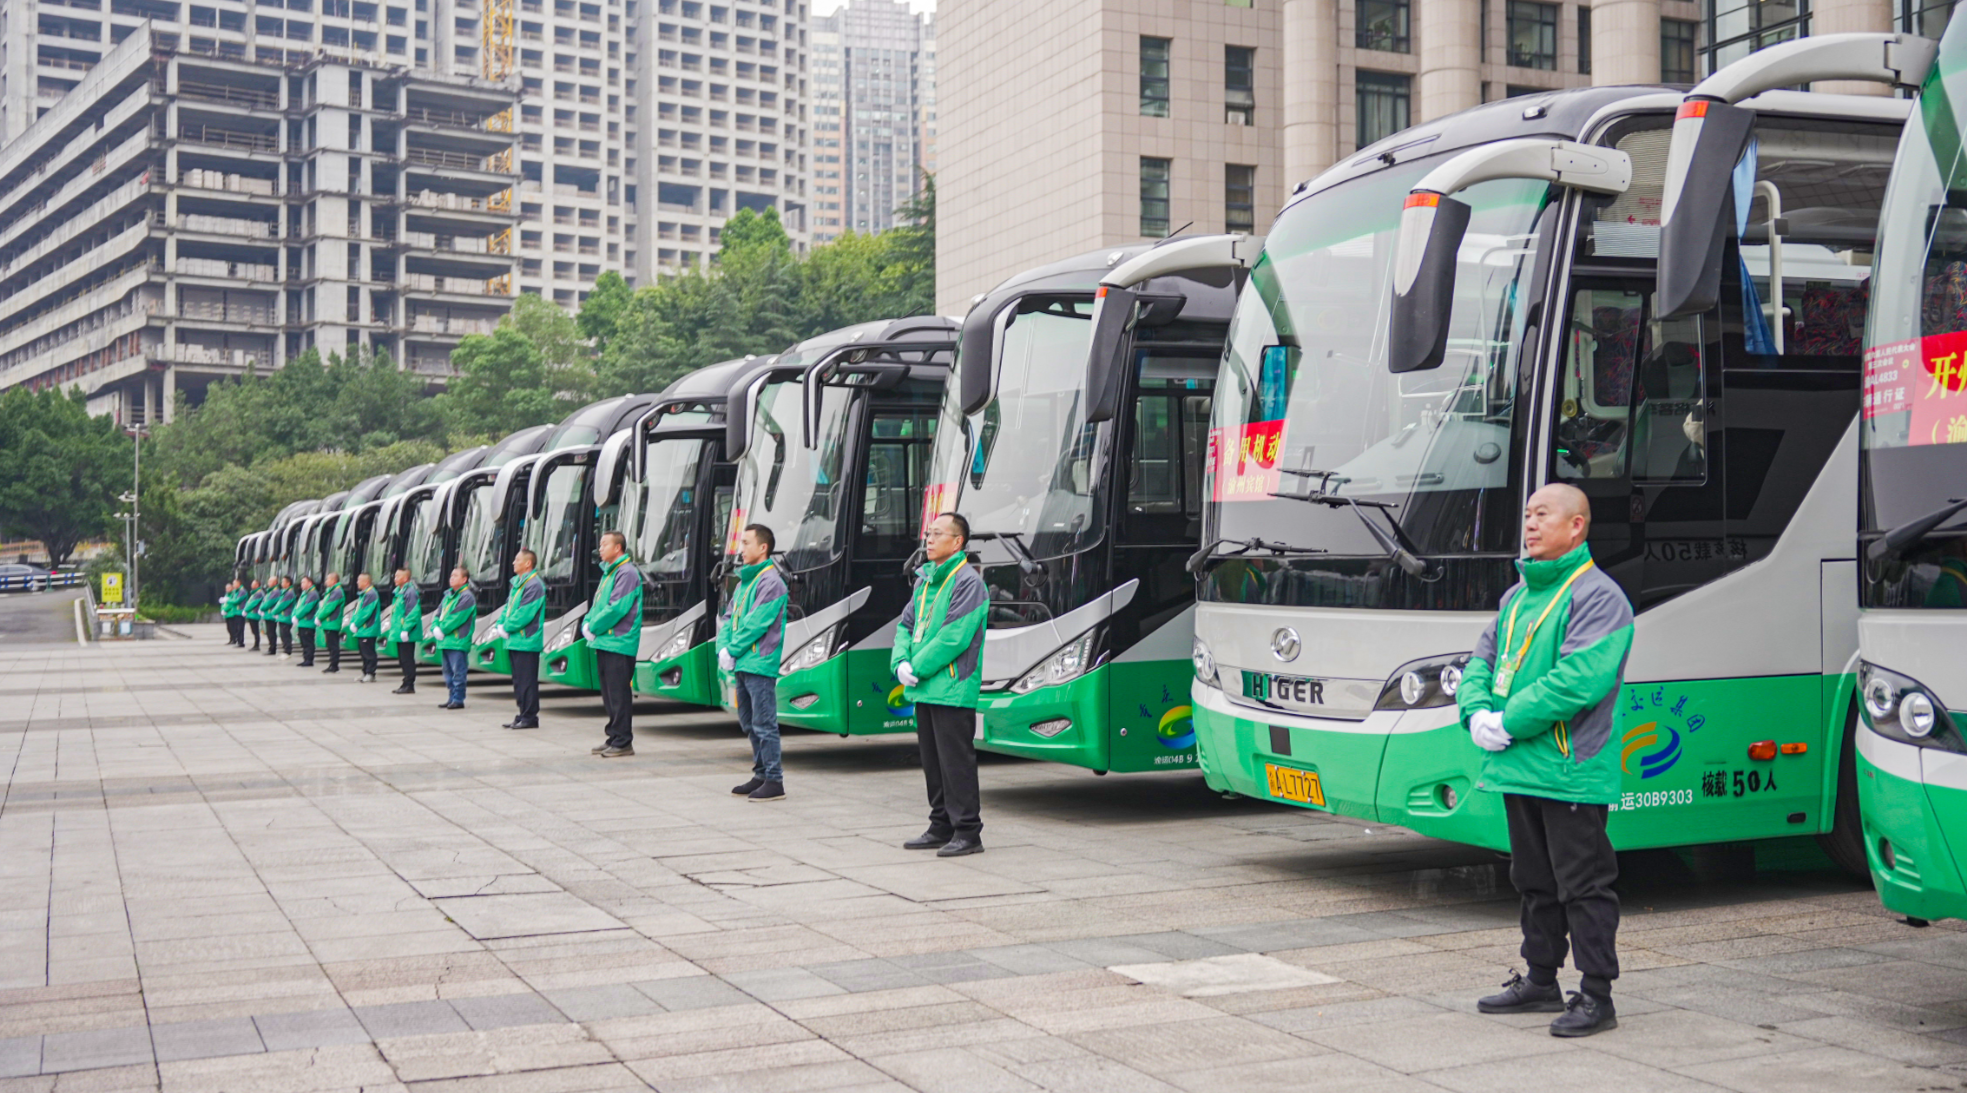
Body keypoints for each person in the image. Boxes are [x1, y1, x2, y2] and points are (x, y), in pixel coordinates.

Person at [1459, 483, 1634, 1038]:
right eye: (1527, 515)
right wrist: (1474, 713)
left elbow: (1578, 681)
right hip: (1519, 765)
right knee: (1533, 879)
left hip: (1569, 769)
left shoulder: (1599, 596)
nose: (1530, 525)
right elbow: (1479, 663)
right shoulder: (1516, 597)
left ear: (1576, 526)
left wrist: (1506, 720)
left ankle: (1597, 995)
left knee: (1582, 884)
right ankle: (1540, 979)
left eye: (1542, 515)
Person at [893, 513, 990, 857]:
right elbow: (905, 625)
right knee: (933, 761)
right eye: (928, 533)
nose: (929, 539)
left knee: (955, 761)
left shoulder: (967, 582)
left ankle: (968, 831)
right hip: (924, 686)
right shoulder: (924, 582)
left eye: (937, 534)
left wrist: (914, 665)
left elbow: (954, 638)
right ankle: (940, 824)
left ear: (957, 542)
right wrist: (899, 662)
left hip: (951, 686)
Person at [719, 523, 788, 802]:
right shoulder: (746, 583)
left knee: (763, 722)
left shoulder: (772, 582)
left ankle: (774, 779)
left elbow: (755, 624)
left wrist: (732, 649)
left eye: (746, 543)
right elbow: (728, 618)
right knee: (748, 721)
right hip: (742, 663)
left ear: (763, 548)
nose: (741, 549)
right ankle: (760, 773)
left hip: (758, 662)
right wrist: (724, 648)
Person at [584, 530, 643, 758]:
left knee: (618, 693)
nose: (600, 548)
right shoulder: (609, 573)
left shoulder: (626, 572)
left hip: (619, 641)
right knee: (609, 693)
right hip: (605, 641)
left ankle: (623, 741)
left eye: (604, 544)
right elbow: (599, 604)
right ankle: (614, 736)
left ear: (617, 548)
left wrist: (593, 626)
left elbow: (617, 607)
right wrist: (588, 622)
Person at [495, 549, 546, 729]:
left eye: (517, 560)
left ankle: (530, 717)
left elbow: (524, 614)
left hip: (526, 640)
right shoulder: (518, 584)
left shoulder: (534, 585)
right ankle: (523, 713)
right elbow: (508, 609)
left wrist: (506, 627)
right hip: (516, 640)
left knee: (527, 681)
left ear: (527, 564)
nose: (513, 563)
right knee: (518, 680)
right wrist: (500, 624)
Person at [431, 566, 477, 710]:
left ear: (464, 580)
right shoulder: (448, 596)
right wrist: (434, 627)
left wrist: (442, 629)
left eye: (455, 576)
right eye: (451, 575)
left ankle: (458, 699)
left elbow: (456, 618)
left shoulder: (466, 597)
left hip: (458, 641)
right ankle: (451, 697)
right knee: (448, 672)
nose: (451, 578)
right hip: (446, 641)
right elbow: (438, 614)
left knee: (458, 671)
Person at [390, 569, 423, 695]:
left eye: (398, 576)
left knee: (407, 659)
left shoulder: (410, 592)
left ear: (405, 579)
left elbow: (413, 613)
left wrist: (406, 629)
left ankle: (409, 684)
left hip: (407, 633)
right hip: (400, 632)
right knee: (403, 659)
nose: (395, 578)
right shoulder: (399, 592)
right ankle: (405, 682)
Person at [350, 573, 382, 683]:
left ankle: (370, 673)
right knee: (364, 652)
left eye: (359, 580)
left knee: (369, 652)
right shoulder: (364, 594)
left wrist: (356, 623)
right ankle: (365, 672)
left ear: (366, 582)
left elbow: (365, 612)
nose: (357, 582)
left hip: (368, 629)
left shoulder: (371, 594)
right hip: (363, 629)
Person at [317, 572, 348, 673]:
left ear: (334, 581)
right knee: (330, 645)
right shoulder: (332, 591)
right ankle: (332, 664)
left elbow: (328, 608)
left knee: (333, 645)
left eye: (328, 579)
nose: (326, 581)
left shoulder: (337, 592)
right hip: (329, 623)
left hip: (332, 622)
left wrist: (319, 617)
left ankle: (334, 665)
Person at [294, 576, 321, 667]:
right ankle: (306, 658)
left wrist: (297, 616)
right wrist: (295, 615)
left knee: (308, 642)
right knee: (304, 642)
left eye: (303, 582)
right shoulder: (305, 593)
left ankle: (309, 660)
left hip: (308, 622)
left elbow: (306, 608)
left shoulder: (312, 594)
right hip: (303, 622)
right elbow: (298, 606)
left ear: (310, 583)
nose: (301, 584)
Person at [270, 576, 295, 658]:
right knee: (283, 634)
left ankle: (287, 651)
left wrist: (274, 611)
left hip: (286, 617)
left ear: (288, 583)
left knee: (286, 634)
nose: (282, 583)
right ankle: (285, 650)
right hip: (282, 617)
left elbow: (282, 605)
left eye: (283, 582)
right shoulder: (285, 592)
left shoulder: (289, 593)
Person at [220, 580, 244, 646]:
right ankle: (232, 639)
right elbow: (224, 604)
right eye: (226, 588)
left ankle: (234, 639)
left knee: (233, 628)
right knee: (229, 628)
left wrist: (226, 610)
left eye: (229, 588)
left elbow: (231, 604)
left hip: (231, 613)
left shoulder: (233, 594)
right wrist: (222, 609)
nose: (227, 589)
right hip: (227, 614)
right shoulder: (226, 595)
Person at [243, 579, 264, 651]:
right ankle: (256, 644)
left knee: (255, 630)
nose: (251, 585)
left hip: (254, 614)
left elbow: (253, 603)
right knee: (254, 630)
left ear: (257, 585)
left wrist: (246, 610)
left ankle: (257, 645)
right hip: (251, 614)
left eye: (253, 584)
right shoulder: (255, 593)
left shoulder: (258, 593)